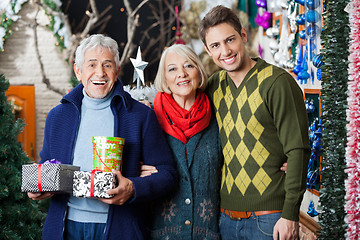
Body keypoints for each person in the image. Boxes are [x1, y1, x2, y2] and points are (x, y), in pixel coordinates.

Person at [27, 34, 177, 240]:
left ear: (116, 71)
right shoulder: (58, 116)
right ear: (78, 71)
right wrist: (40, 187)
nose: (100, 73)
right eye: (92, 65)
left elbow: (168, 175)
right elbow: (47, 165)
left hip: (121, 228)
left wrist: (133, 188)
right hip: (66, 227)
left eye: (107, 65)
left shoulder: (139, 115)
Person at [198, 5, 311, 240]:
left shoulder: (277, 82)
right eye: (216, 45)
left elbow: (298, 149)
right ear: (208, 51)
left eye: (230, 40)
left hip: (271, 218)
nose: (225, 51)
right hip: (225, 218)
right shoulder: (213, 86)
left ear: (243, 36)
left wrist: (290, 215)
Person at [142, 44, 223, 239]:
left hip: (207, 234)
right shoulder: (148, 119)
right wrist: (134, 169)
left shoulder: (218, 117)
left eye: (188, 66)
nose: (182, 74)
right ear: (165, 79)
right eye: (172, 69)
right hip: (160, 233)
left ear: (199, 72)